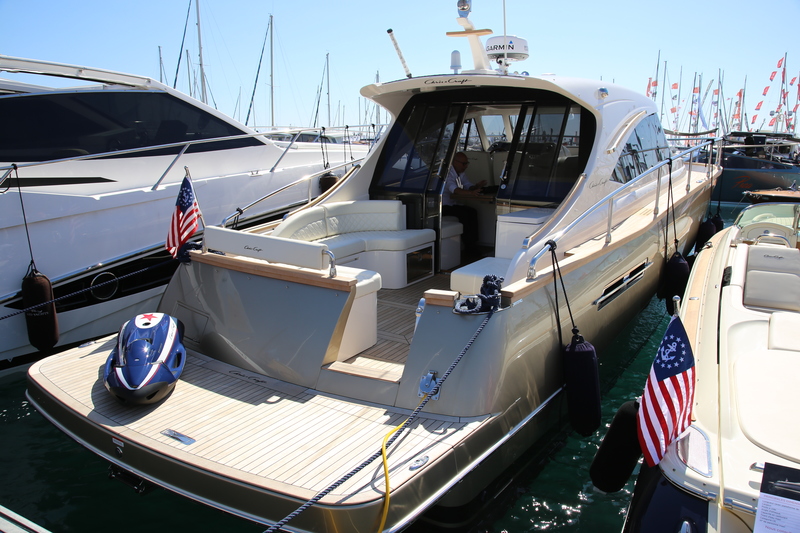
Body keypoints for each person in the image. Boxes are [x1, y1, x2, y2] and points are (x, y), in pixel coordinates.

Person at [443, 152, 487, 257]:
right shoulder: (448, 173)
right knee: (464, 214)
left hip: (452, 204)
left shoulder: (460, 172)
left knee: (472, 212)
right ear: (454, 162)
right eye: (463, 164)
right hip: (442, 206)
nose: (466, 166)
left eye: (467, 163)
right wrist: (471, 193)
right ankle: (469, 246)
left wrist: (475, 187)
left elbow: (467, 185)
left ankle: (472, 244)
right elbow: (454, 190)